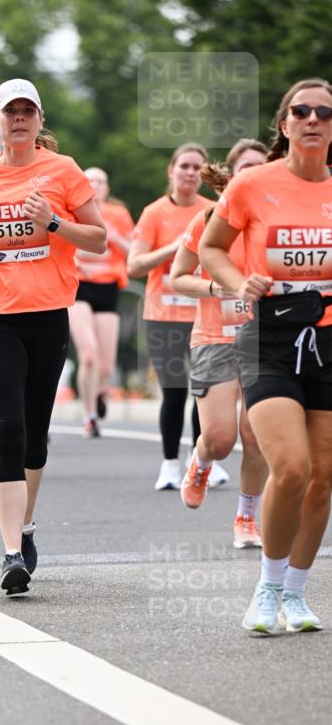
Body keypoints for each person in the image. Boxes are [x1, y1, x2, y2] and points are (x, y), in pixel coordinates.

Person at [0, 78, 106, 595]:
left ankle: (27, 524)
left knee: (36, 435)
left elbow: (99, 239)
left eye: (26, 111)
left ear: (39, 120)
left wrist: (53, 223)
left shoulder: (63, 170)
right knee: (8, 430)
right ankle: (12, 551)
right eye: (9, 111)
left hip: (48, 316)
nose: (18, 119)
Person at [200, 78, 332, 634]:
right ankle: (268, 586)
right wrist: (239, 282)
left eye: (324, 112)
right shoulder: (253, 184)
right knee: (292, 467)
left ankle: (296, 595)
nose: (313, 119)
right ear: (285, 124)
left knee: (323, 477)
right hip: (268, 340)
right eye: (301, 111)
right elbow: (210, 247)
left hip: (327, 342)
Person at [170, 140, 269, 547]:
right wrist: (216, 287)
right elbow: (178, 277)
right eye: (245, 167)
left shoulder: (278, 222)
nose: (253, 174)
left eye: (261, 167)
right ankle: (202, 459)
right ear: (230, 176)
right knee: (221, 438)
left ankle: (246, 518)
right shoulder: (209, 219)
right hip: (216, 337)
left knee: (256, 435)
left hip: (266, 340)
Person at [127, 144, 218, 490]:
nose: (191, 173)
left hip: (204, 314)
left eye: (197, 167)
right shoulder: (154, 213)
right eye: (185, 166)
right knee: (175, 390)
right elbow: (134, 266)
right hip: (163, 315)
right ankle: (169, 464)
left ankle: (200, 460)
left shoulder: (212, 210)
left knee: (204, 392)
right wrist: (178, 246)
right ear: (171, 170)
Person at [69, 167, 134, 437]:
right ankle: (89, 417)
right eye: (91, 180)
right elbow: (60, 246)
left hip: (108, 287)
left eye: (101, 181)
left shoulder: (118, 215)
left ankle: (100, 391)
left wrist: (115, 237)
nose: (96, 185)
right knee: (88, 355)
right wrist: (75, 262)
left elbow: (135, 252)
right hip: (79, 287)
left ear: (107, 188)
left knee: (106, 364)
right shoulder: (72, 212)